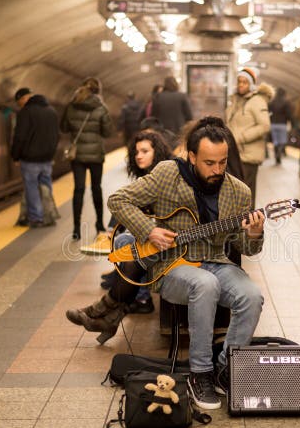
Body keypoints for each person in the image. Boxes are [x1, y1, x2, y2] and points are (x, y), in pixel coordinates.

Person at [107, 117, 265, 410]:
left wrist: (254, 233)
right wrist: (149, 230)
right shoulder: (168, 174)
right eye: (209, 163)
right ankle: (199, 373)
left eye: (222, 162)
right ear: (192, 157)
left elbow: (246, 247)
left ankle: (225, 368)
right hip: (170, 266)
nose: (217, 170)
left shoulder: (239, 191)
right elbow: (118, 201)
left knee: (252, 296)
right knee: (204, 284)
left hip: (216, 262)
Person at [66, 131, 175, 341]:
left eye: (145, 151)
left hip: (171, 241)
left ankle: (103, 310)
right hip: (162, 240)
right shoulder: (149, 177)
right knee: (125, 242)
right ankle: (114, 315)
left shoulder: (164, 176)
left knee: (126, 243)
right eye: (136, 152)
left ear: (158, 152)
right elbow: (130, 205)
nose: (139, 156)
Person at [60, 77, 114, 241]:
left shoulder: (71, 106)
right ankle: (99, 225)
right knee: (96, 188)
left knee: (78, 189)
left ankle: (76, 228)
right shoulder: (101, 108)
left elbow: (63, 127)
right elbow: (107, 132)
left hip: (78, 156)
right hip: (96, 154)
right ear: (98, 92)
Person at [10, 87, 60, 228]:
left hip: (30, 159)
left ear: (24, 98)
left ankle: (37, 218)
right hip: (47, 159)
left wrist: (15, 156)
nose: (19, 104)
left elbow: (20, 137)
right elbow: (57, 135)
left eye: (19, 101)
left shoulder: (25, 113)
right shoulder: (52, 111)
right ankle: (48, 214)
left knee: (31, 187)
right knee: (46, 186)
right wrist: (51, 152)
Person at [225, 67, 273, 208]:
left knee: (246, 193)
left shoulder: (257, 101)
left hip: (248, 155)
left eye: (245, 82)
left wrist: (240, 137)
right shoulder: (235, 101)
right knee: (234, 193)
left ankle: (249, 226)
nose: (241, 85)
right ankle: (235, 225)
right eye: (239, 81)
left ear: (251, 84)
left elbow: (264, 126)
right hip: (234, 153)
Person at [268, 86, 293, 165]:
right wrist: (290, 122)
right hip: (282, 124)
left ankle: (276, 154)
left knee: (275, 141)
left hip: (273, 124)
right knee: (282, 141)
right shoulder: (286, 102)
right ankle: (279, 152)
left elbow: (268, 112)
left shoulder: (272, 102)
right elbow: (289, 114)